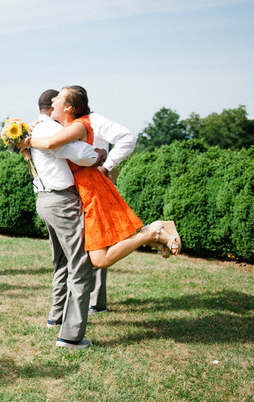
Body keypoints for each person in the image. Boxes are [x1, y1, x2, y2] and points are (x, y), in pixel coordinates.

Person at [21, 86, 181, 270]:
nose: (53, 101)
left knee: (100, 259)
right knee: (104, 251)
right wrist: (33, 126)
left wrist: (25, 141)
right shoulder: (66, 126)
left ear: (68, 108)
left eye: (58, 98)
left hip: (91, 191)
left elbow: (51, 143)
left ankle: (153, 232)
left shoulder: (79, 125)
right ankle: (152, 236)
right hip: (84, 191)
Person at [21, 89, 101, 348]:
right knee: (81, 263)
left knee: (62, 262)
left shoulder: (32, 130)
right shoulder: (48, 132)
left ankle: (55, 317)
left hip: (44, 201)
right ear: (54, 107)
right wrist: (98, 154)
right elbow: (85, 156)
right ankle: (70, 335)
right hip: (61, 201)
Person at [87, 104, 137, 315]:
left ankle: (96, 301)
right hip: (81, 189)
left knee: (100, 240)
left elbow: (127, 137)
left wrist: (107, 166)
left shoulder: (95, 120)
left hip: (97, 188)